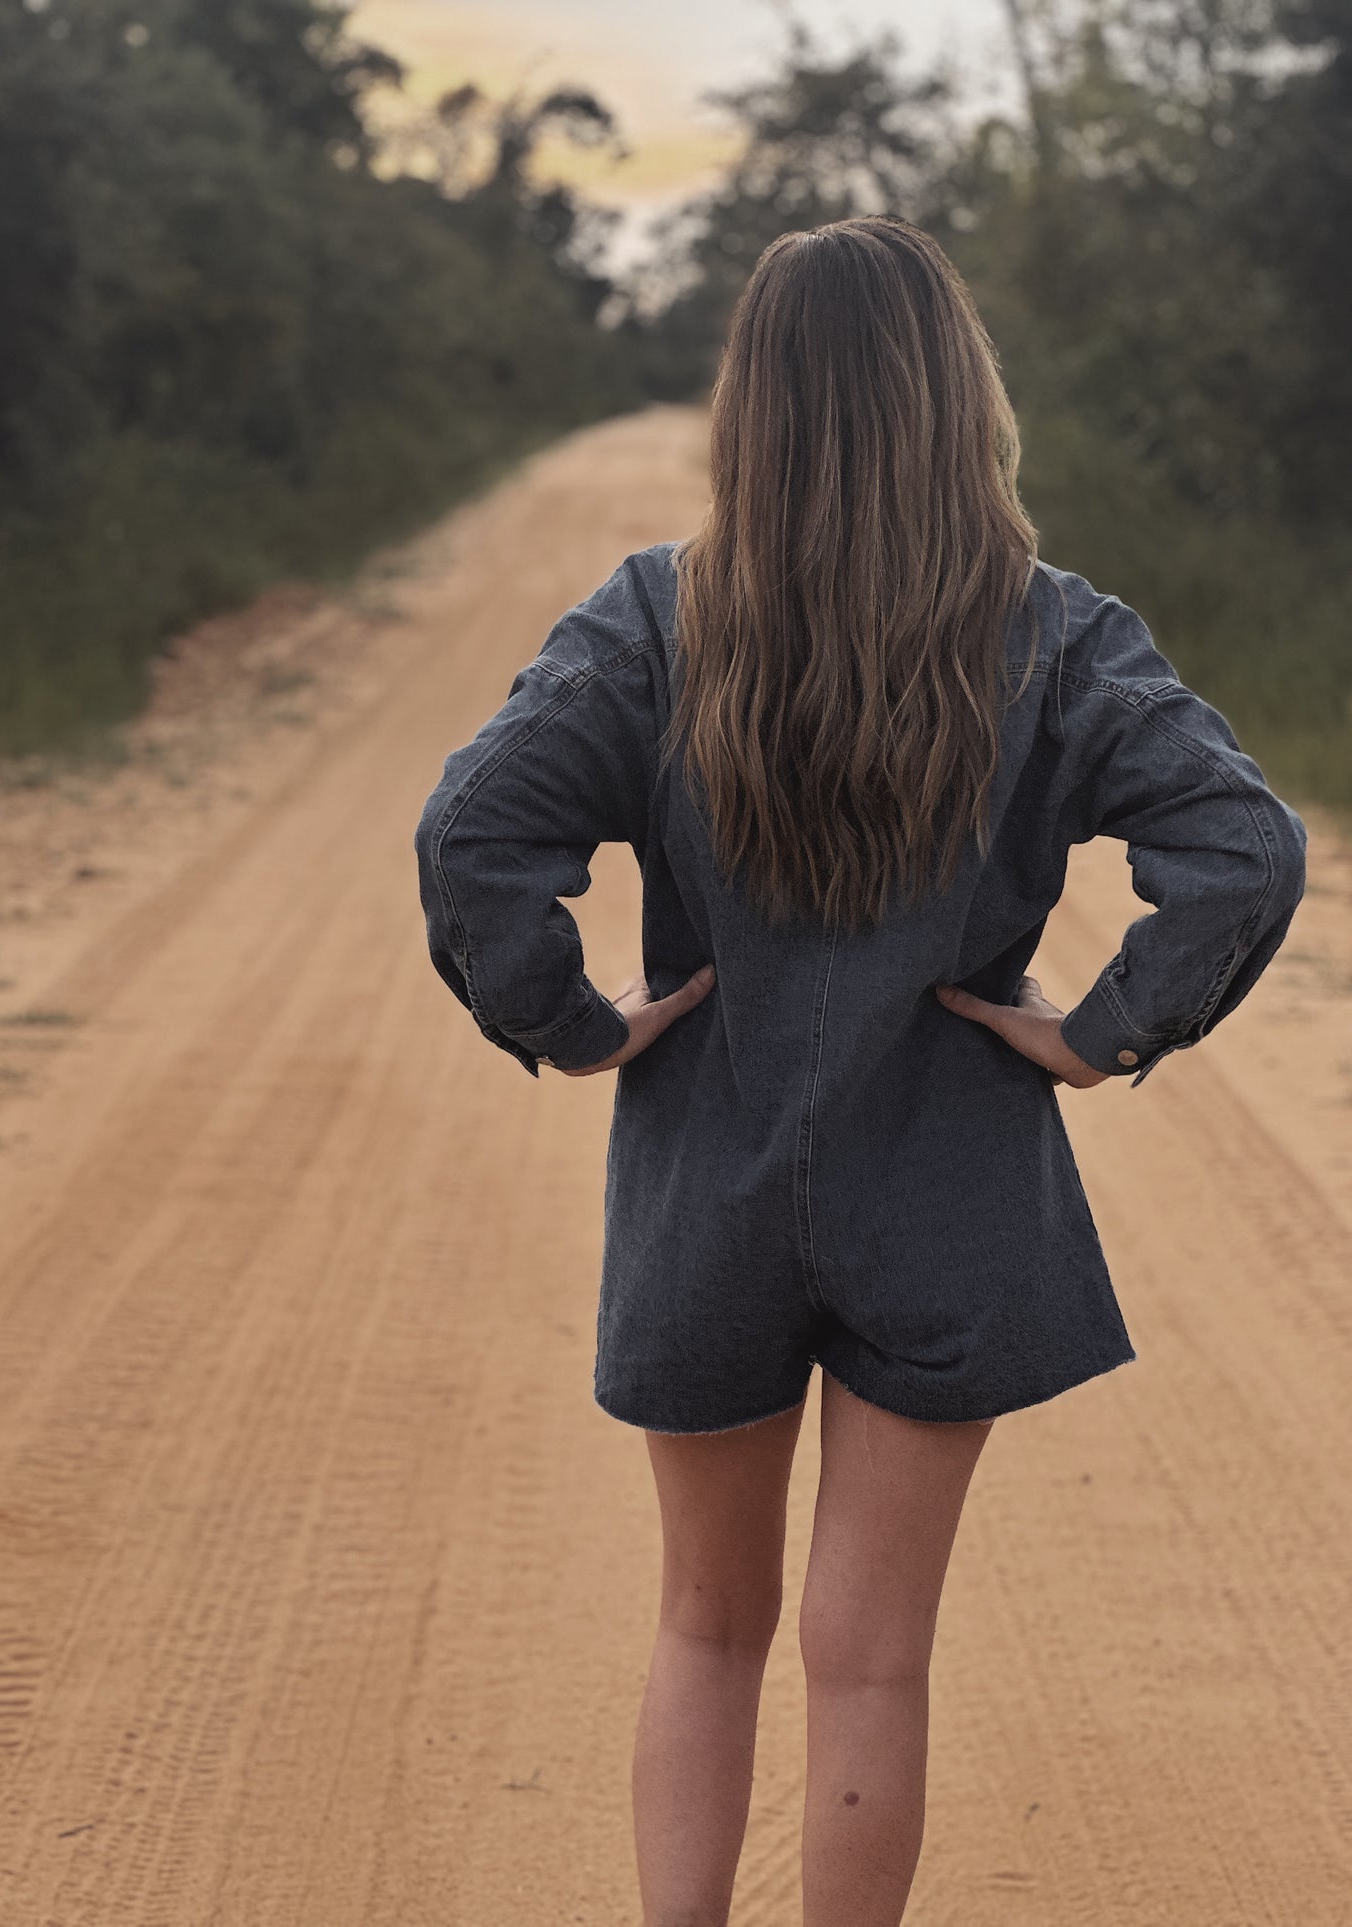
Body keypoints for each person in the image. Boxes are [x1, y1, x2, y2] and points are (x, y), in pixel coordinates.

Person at [412, 215, 1307, 1927]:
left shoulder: (656, 623)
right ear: (955, 400)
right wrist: (1101, 1030)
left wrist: (573, 1022)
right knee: (871, 1659)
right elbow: (1241, 848)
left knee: (702, 1621)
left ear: (750, 410)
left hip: (704, 1191)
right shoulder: (1053, 633)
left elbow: (473, 833)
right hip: (949, 1188)